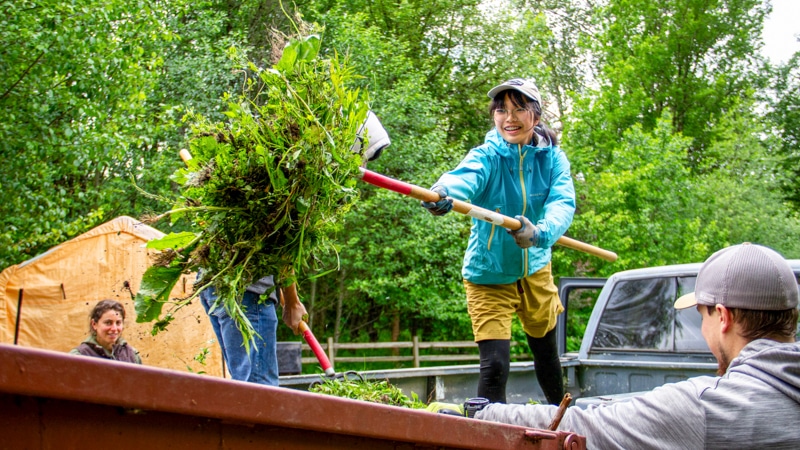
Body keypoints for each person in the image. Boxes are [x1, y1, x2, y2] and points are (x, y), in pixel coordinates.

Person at [434, 243, 800, 449]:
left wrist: (478, 413)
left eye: (701, 315)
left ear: (723, 317)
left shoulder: (707, 408)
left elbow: (584, 425)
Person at [200, 111, 391, 386]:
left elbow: (264, 237)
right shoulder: (303, 174)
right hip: (247, 292)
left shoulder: (277, 152)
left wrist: (282, 289)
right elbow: (283, 243)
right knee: (259, 391)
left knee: (243, 384)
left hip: (216, 280)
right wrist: (291, 301)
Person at [422, 78, 575, 405]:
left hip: (535, 270)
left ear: (535, 115)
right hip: (488, 274)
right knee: (494, 366)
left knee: (547, 357)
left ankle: (564, 422)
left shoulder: (553, 159)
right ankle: (489, 436)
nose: (510, 118)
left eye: (519, 108)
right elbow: (464, 176)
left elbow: (562, 202)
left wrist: (541, 233)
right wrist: (443, 193)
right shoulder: (489, 156)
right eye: (502, 110)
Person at [70, 299, 142, 364]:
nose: (114, 328)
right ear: (94, 324)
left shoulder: (132, 355)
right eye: (108, 323)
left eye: (118, 323)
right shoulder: (78, 357)